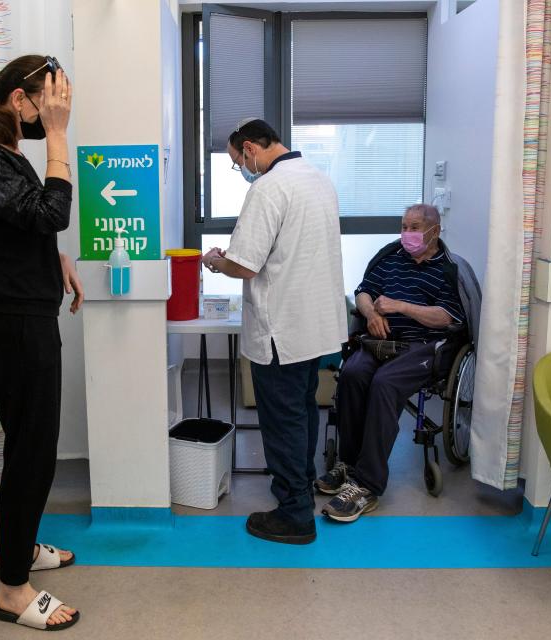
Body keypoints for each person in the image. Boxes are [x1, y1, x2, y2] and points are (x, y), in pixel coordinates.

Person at [0, 54, 81, 630]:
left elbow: (14, 227)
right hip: (11, 320)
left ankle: (16, 550)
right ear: (17, 100)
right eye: (47, 103)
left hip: (24, 308)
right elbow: (52, 211)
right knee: (33, 447)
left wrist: (52, 260)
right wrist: (57, 136)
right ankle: (12, 590)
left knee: (33, 443)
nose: (53, 113)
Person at [201, 118, 348, 545]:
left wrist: (216, 261)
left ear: (250, 148)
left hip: (281, 330)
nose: (241, 168)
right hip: (316, 326)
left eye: (237, 161)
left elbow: (245, 264)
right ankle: (300, 488)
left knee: (282, 421)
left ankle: (294, 515)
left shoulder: (268, 188)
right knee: (302, 414)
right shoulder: (319, 180)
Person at [318, 204, 480, 523]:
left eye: (415, 227)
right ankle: (349, 464)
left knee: (384, 384)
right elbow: (364, 292)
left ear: (435, 230)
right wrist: (372, 314)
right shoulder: (389, 257)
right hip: (379, 340)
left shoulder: (449, 269)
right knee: (351, 375)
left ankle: (367, 485)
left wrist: (402, 306)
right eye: (404, 226)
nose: (407, 233)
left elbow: (448, 316)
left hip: (423, 347)